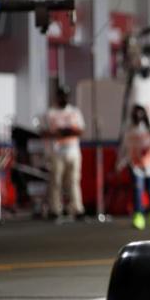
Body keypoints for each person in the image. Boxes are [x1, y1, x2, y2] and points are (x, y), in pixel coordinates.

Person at [43, 85, 84, 219]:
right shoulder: (51, 113)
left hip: (73, 150)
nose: (64, 98)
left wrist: (64, 131)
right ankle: (55, 209)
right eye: (62, 96)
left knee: (73, 181)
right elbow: (46, 132)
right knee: (56, 181)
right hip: (57, 151)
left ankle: (76, 208)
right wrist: (61, 132)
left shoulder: (74, 112)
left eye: (66, 96)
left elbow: (80, 130)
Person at [118, 105, 150, 231]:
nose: (138, 116)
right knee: (138, 190)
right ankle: (138, 216)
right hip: (137, 165)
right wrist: (120, 163)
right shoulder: (129, 131)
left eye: (140, 114)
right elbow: (125, 149)